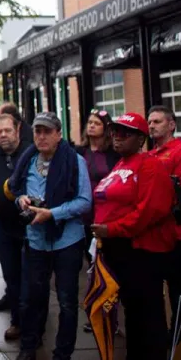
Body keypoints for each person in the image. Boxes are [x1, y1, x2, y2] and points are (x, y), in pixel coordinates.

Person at [91, 112, 177, 360]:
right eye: (114, 132)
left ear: (141, 139)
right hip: (117, 250)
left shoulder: (150, 165)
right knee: (132, 312)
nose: (117, 137)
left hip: (141, 251)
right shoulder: (119, 165)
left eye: (124, 133)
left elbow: (151, 210)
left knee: (147, 313)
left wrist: (113, 228)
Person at [6, 112, 90, 360]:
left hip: (67, 240)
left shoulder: (74, 161)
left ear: (58, 134)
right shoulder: (28, 160)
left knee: (66, 301)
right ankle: (29, 347)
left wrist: (52, 213)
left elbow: (85, 202)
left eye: (47, 131)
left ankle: (62, 353)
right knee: (34, 297)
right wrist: (21, 200)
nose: (41, 137)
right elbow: (17, 189)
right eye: (37, 131)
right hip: (36, 241)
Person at [146, 105, 181, 326]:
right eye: (149, 122)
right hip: (153, 235)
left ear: (171, 125)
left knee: (180, 290)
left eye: (157, 121)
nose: (151, 126)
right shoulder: (149, 154)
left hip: (177, 235)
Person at [0, 114, 31, 342]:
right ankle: (18, 322)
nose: (3, 135)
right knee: (11, 276)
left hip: (30, 227)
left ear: (17, 130)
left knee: (31, 277)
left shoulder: (31, 153)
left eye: (7, 131)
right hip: (3, 227)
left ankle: (33, 325)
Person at [76, 109, 121, 258]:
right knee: (90, 257)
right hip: (84, 213)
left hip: (107, 213)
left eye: (97, 123)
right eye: (90, 122)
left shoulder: (113, 154)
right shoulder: (79, 152)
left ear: (106, 128)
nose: (92, 126)